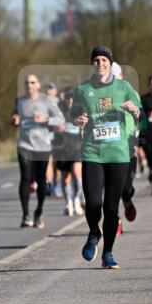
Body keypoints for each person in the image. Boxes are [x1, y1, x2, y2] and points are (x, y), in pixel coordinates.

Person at [72, 46, 141, 269]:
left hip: (118, 155)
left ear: (110, 64)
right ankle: (94, 232)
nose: (100, 63)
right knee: (93, 203)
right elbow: (75, 114)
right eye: (96, 60)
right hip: (92, 152)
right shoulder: (83, 89)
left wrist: (134, 110)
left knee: (111, 209)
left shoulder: (124, 86)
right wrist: (77, 121)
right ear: (92, 64)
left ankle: (108, 253)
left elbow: (138, 110)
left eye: (104, 60)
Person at [11, 74, 64, 228]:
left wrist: (45, 120)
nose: (29, 85)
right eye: (27, 83)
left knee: (41, 181)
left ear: (38, 85)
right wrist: (14, 121)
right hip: (25, 144)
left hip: (43, 145)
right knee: (25, 178)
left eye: (33, 82)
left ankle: (39, 212)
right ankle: (26, 215)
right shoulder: (20, 101)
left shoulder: (47, 101)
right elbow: (15, 117)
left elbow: (60, 119)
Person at [112, 62, 139, 226]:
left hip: (128, 145)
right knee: (110, 187)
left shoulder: (131, 92)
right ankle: (115, 220)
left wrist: (140, 138)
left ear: (122, 77)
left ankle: (127, 200)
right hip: (108, 146)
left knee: (126, 189)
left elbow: (142, 117)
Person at [54, 86, 84, 217]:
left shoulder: (81, 110)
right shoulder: (58, 110)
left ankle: (77, 200)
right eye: (68, 98)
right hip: (63, 149)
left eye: (73, 98)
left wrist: (84, 130)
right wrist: (55, 127)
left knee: (77, 175)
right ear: (64, 98)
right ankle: (68, 203)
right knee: (65, 178)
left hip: (77, 148)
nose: (70, 100)